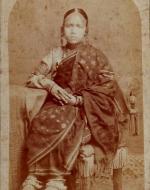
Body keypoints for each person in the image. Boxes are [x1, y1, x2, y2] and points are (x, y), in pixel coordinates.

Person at [22, 8, 128, 190]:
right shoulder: (55, 54)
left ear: (85, 30)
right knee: (40, 121)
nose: (73, 30)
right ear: (62, 29)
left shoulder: (96, 56)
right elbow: (32, 78)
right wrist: (51, 86)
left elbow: (108, 87)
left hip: (85, 109)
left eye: (78, 26)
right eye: (69, 25)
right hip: (56, 103)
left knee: (65, 124)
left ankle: (56, 178)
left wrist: (79, 100)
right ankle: (35, 176)